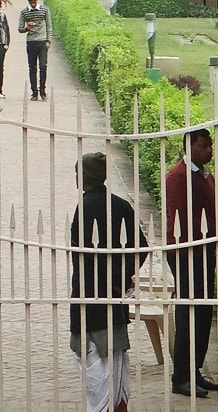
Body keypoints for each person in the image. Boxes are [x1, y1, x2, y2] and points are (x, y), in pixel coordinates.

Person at [70, 152, 148, 412]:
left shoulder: (85, 207)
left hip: (88, 300)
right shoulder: (121, 205)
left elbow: (82, 257)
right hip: (113, 302)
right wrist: (121, 279)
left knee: (97, 374)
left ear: (84, 177)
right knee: (116, 369)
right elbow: (141, 246)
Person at [164, 127, 218, 397]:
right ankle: (181, 375)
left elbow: (211, 208)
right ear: (189, 147)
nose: (209, 150)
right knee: (189, 311)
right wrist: (214, 232)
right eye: (203, 146)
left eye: (210, 146)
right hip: (187, 251)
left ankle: (195, 370)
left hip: (205, 249)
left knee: (203, 312)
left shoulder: (203, 173)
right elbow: (182, 219)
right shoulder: (178, 176)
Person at [18, 0, 52, 101]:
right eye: (31, 2)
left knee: (43, 66)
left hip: (42, 42)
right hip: (31, 42)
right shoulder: (24, 12)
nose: (33, 4)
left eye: (34, 1)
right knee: (32, 68)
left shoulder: (45, 10)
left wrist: (48, 40)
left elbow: (48, 26)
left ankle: (42, 90)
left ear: (37, 0)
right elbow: (20, 29)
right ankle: (34, 92)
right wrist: (27, 28)